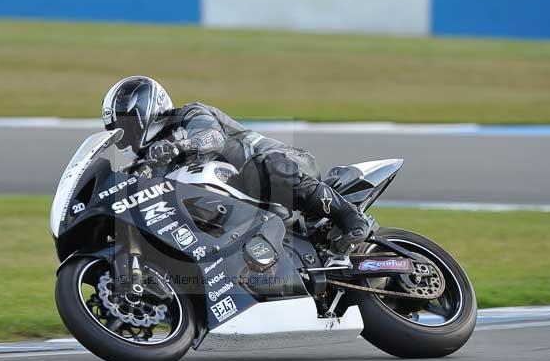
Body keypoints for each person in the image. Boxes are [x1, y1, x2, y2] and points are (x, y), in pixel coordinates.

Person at [101, 75, 372, 266]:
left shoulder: (189, 114)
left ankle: (349, 215)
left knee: (262, 168)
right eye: (119, 133)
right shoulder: (152, 161)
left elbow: (211, 137)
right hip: (241, 208)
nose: (127, 137)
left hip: (283, 165)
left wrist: (177, 145)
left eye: (128, 125)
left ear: (146, 108)